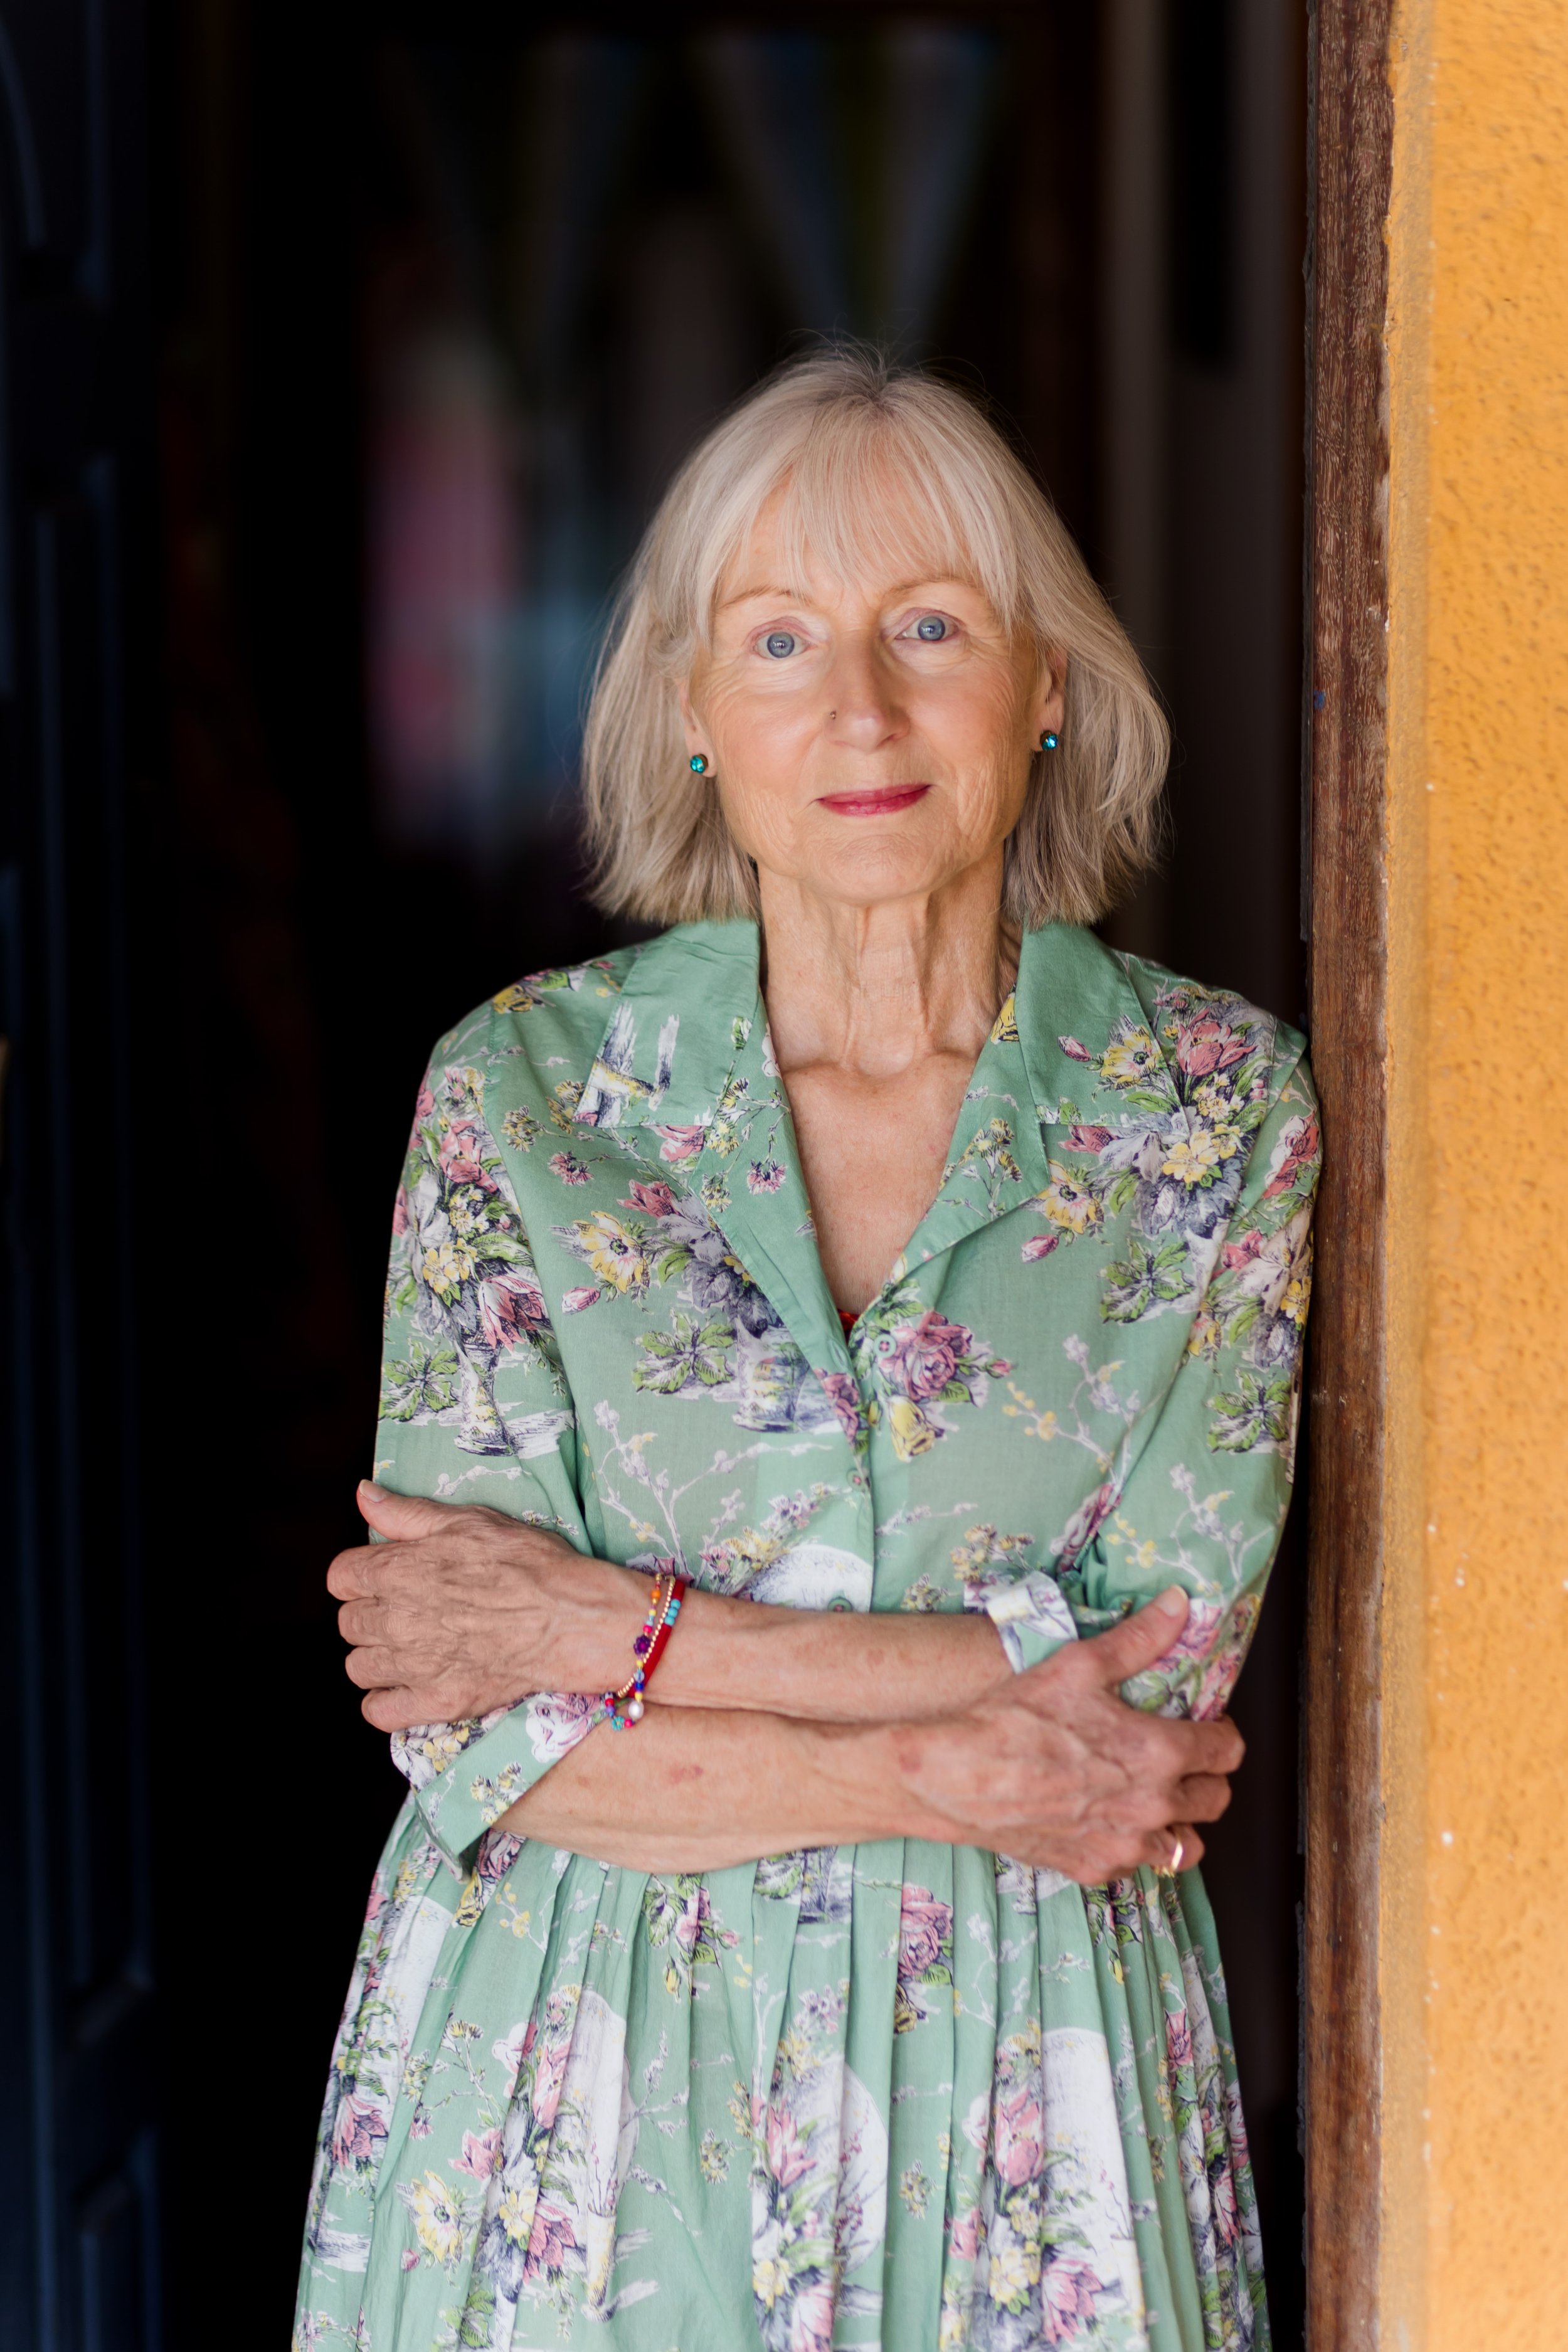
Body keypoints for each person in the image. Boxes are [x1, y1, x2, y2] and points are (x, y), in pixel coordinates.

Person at [295, 349, 1320, 2352]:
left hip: (1034, 2099)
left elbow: (1147, 1689)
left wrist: (608, 1630)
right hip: (572, 2113)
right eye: (779, 640)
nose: (859, 706)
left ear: (1041, 686)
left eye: (928, 626)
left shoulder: (1211, 1110)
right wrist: (950, 1752)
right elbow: (471, 1727)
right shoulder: (521, 1094)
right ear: (693, 709)